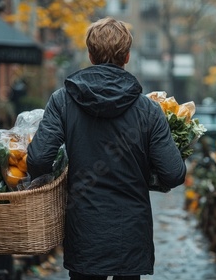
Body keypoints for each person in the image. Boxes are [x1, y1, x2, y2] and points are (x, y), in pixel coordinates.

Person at [27, 17, 186, 280]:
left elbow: (39, 159)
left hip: (85, 230)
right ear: (126, 56)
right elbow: (173, 173)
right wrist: (143, 172)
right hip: (131, 234)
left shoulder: (63, 101)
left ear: (90, 55)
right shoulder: (148, 110)